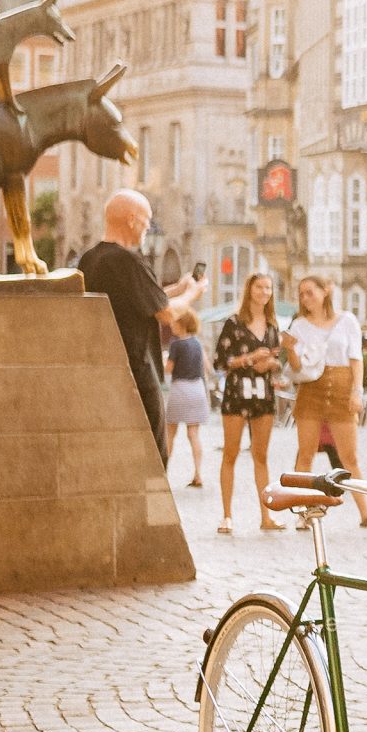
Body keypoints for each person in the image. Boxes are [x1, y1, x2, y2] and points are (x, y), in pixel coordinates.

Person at [76, 189, 204, 463]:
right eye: (147, 220)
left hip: (103, 369)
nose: (148, 227)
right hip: (137, 369)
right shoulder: (129, 260)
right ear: (132, 220)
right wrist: (194, 293)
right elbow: (166, 314)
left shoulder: (90, 259)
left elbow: (140, 300)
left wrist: (177, 288)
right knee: (153, 455)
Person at [285, 277, 367, 527]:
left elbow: (355, 358)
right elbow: (297, 368)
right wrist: (289, 350)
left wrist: (356, 391)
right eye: (302, 294)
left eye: (310, 292)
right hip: (311, 389)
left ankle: (366, 513)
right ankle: (304, 514)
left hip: (341, 388)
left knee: (350, 457)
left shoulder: (347, 320)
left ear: (325, 291)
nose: (305, 298)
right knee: (305, 454)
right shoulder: (298, 325)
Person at [213, 272, 286, 535]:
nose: (264, 292)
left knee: (261, 456)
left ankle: (266, 517)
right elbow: (220, 362)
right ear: (249, 290)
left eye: (268, 288)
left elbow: (278, 360)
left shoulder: (272, 326)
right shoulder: (234, 323)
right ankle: (227, 515)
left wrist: (272, 364)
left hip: (263, 394)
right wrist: (249, 359)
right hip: (237, 393)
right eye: (259, 287)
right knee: (230, 453)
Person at [162, 309, 211, 488]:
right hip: (197, 389)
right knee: (193, 434)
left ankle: (163, 472)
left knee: (170, 434)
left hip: (180, 389)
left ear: (182, 324)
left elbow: (168, 369)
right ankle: (198, 474)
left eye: (175, 322)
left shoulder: (176, 345)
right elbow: (207, 367)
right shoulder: (198, 343)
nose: (172, 325)